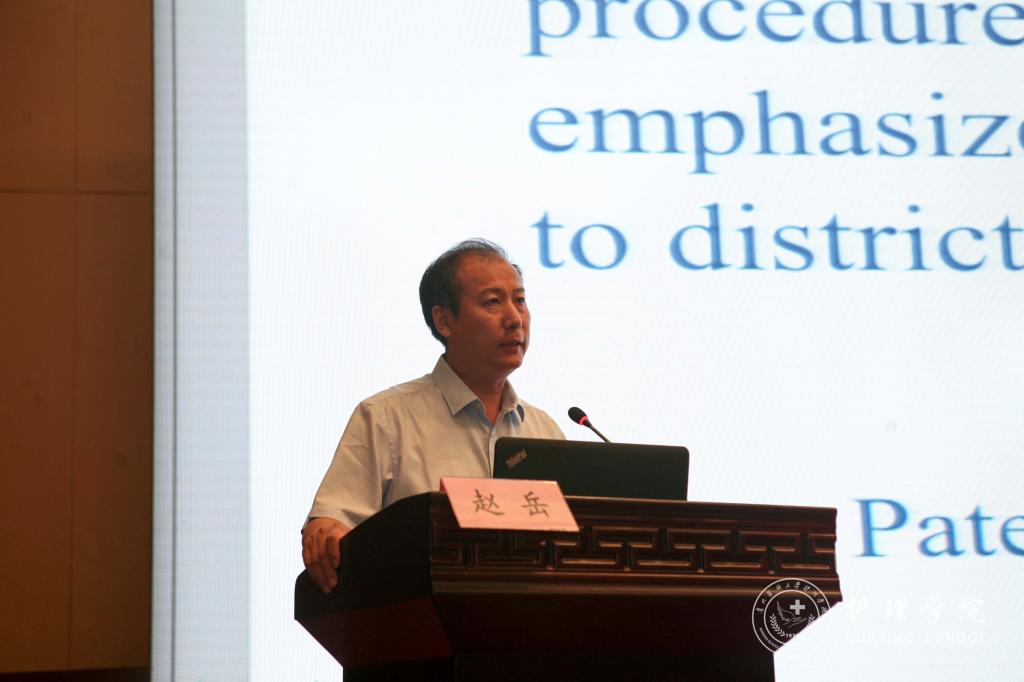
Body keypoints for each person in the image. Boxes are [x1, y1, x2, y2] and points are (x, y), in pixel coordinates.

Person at [301, 239, 564, 593]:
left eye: (519, 300)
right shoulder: (385, 418)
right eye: (493, 302)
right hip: (419, 617)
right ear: (444, 320)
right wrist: (326, 532)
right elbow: (333, 522)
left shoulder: (544, 430)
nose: (515, 319)